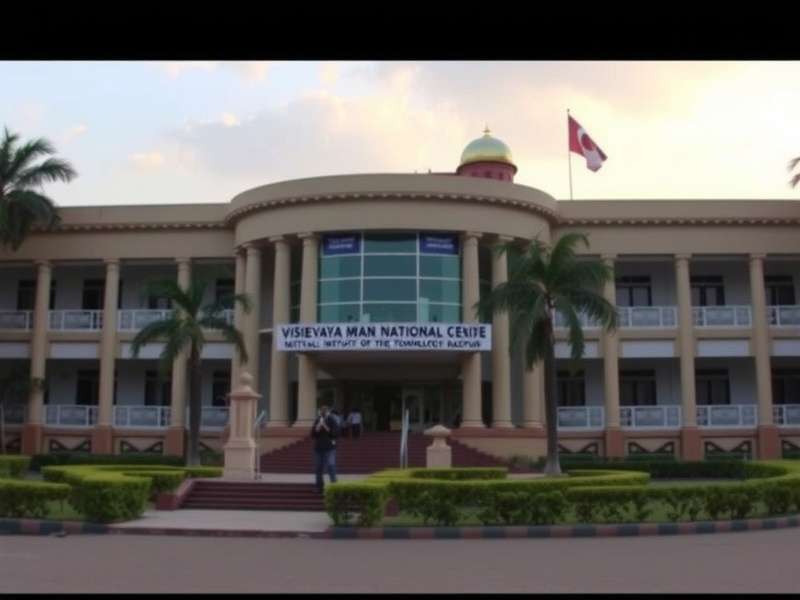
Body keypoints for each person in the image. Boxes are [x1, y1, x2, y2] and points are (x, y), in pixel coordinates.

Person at [311, 404, 339, 494]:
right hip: (318, 448)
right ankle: (319, 487)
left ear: (328, 412)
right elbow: (312, 434)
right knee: (318, 467)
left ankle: (334, 486)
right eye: (321, 411)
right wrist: (318, 426)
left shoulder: (332, 420)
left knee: (331, 465)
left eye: (325, 411)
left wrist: (325, 426)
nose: (322, 413)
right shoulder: (317, 420)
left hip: (329, 447)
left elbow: (335, 434)